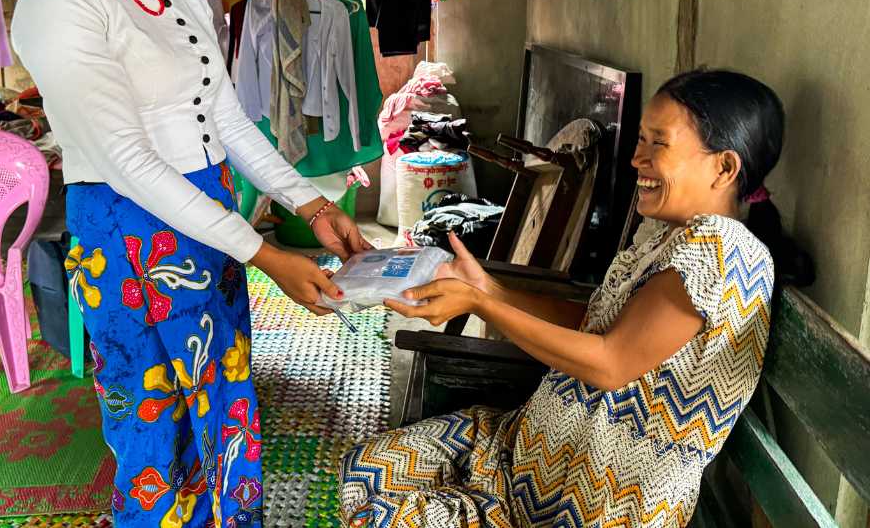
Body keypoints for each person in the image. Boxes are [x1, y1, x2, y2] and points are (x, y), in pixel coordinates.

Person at [11, 0, 369, 525]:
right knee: (155, 446)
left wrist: (307, 201)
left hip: (206, 224)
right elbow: (129, 162)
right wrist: (264, 255)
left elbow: (228, 120)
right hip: (127, 236)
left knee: (225, 421)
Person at [340, 69, 811, 528]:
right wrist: (490, 288)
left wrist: (480, 305)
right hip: (523, 460)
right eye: (640, 140)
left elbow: (610, 363)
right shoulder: (670, 237)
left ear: (724, 167)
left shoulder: (722, 252)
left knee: (378, 514)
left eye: (658, 143)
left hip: (589, 506)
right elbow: (595, 322)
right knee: (367, 471)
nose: (636, 159)